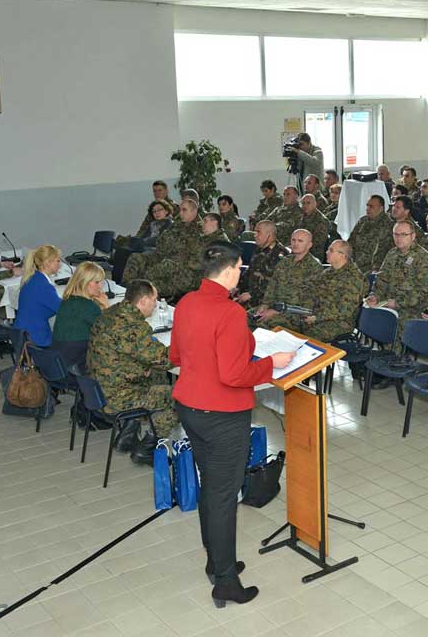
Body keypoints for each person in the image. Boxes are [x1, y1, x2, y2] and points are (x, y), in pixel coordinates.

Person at [170, 241, 295, 608]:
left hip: (191, 408)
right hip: (223, 415)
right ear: (229, 270)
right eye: (240, 267)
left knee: (213, 487)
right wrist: (271, 362)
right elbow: (236, 374)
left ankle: (216, 561)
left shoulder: (187, 303)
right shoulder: (229, 313)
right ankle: (225, 582)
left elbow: (176, 354)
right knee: (224, 497)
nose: (242, 272)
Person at [87, 280, 177, 463]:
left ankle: (127, 436)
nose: (156, 304)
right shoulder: (134, 326)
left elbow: (127, 354)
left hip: (95, 389)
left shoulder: (111, 312)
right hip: (116, 397)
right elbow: (165, 360)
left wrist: (144, 367)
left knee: (155, 375)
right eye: (154, 299)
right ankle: (148, 447)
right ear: (143, 301)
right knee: (182, 397)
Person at [51, 261, 109, 370]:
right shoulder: (89, 307)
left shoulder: (67, 300)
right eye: (97, 282)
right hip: (75, 368)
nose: (101, 286)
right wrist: (106, 306)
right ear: (85, 282)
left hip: (58, 363)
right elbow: (111, 332)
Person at [13, 245, 63, 347]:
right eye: (57, 261)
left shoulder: (33, 278)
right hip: (36, 337)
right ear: (47, 262)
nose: (60, 264)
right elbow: (63, 309)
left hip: (22, 333)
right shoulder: (43, 286)